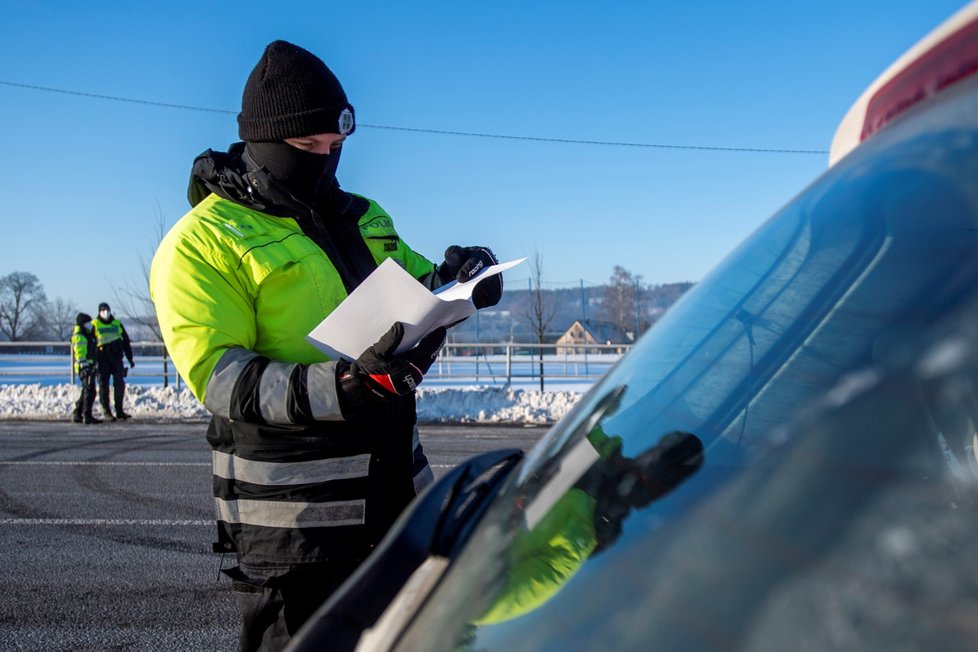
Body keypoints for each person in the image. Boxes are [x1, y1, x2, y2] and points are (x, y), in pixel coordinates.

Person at [149, 39, 503, 651]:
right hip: (297, 533)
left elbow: (412, 293)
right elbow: (219, 377)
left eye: (337, 148)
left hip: (396, 504)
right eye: (309, 147)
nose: (326, 160)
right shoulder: (202, 241)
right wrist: (344, 386)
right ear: (263, 141)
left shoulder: (364, 216)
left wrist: (460, 280)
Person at [91, 302, 134, 421]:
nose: (106, 312)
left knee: (119, 385)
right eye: (103, 310)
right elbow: (90, 343)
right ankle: (107, 411)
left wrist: (130, 358)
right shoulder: (95, 324)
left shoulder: (117, 324)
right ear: (99, 312)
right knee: (103, 386)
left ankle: (119, 410)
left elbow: (126, 342)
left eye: (108, 310)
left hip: (116, 359)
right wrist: (92, 360)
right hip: (102, 359)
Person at [70, 312, 102, 424]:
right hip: (85, 367)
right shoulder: (80, 335)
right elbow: (79, 352)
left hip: (90, 365)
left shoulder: (88, 333)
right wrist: (85, 365)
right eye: (87, 323)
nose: (90, 324)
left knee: (86, 390)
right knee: (90, 390)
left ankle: (77, 413)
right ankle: (87, 415)